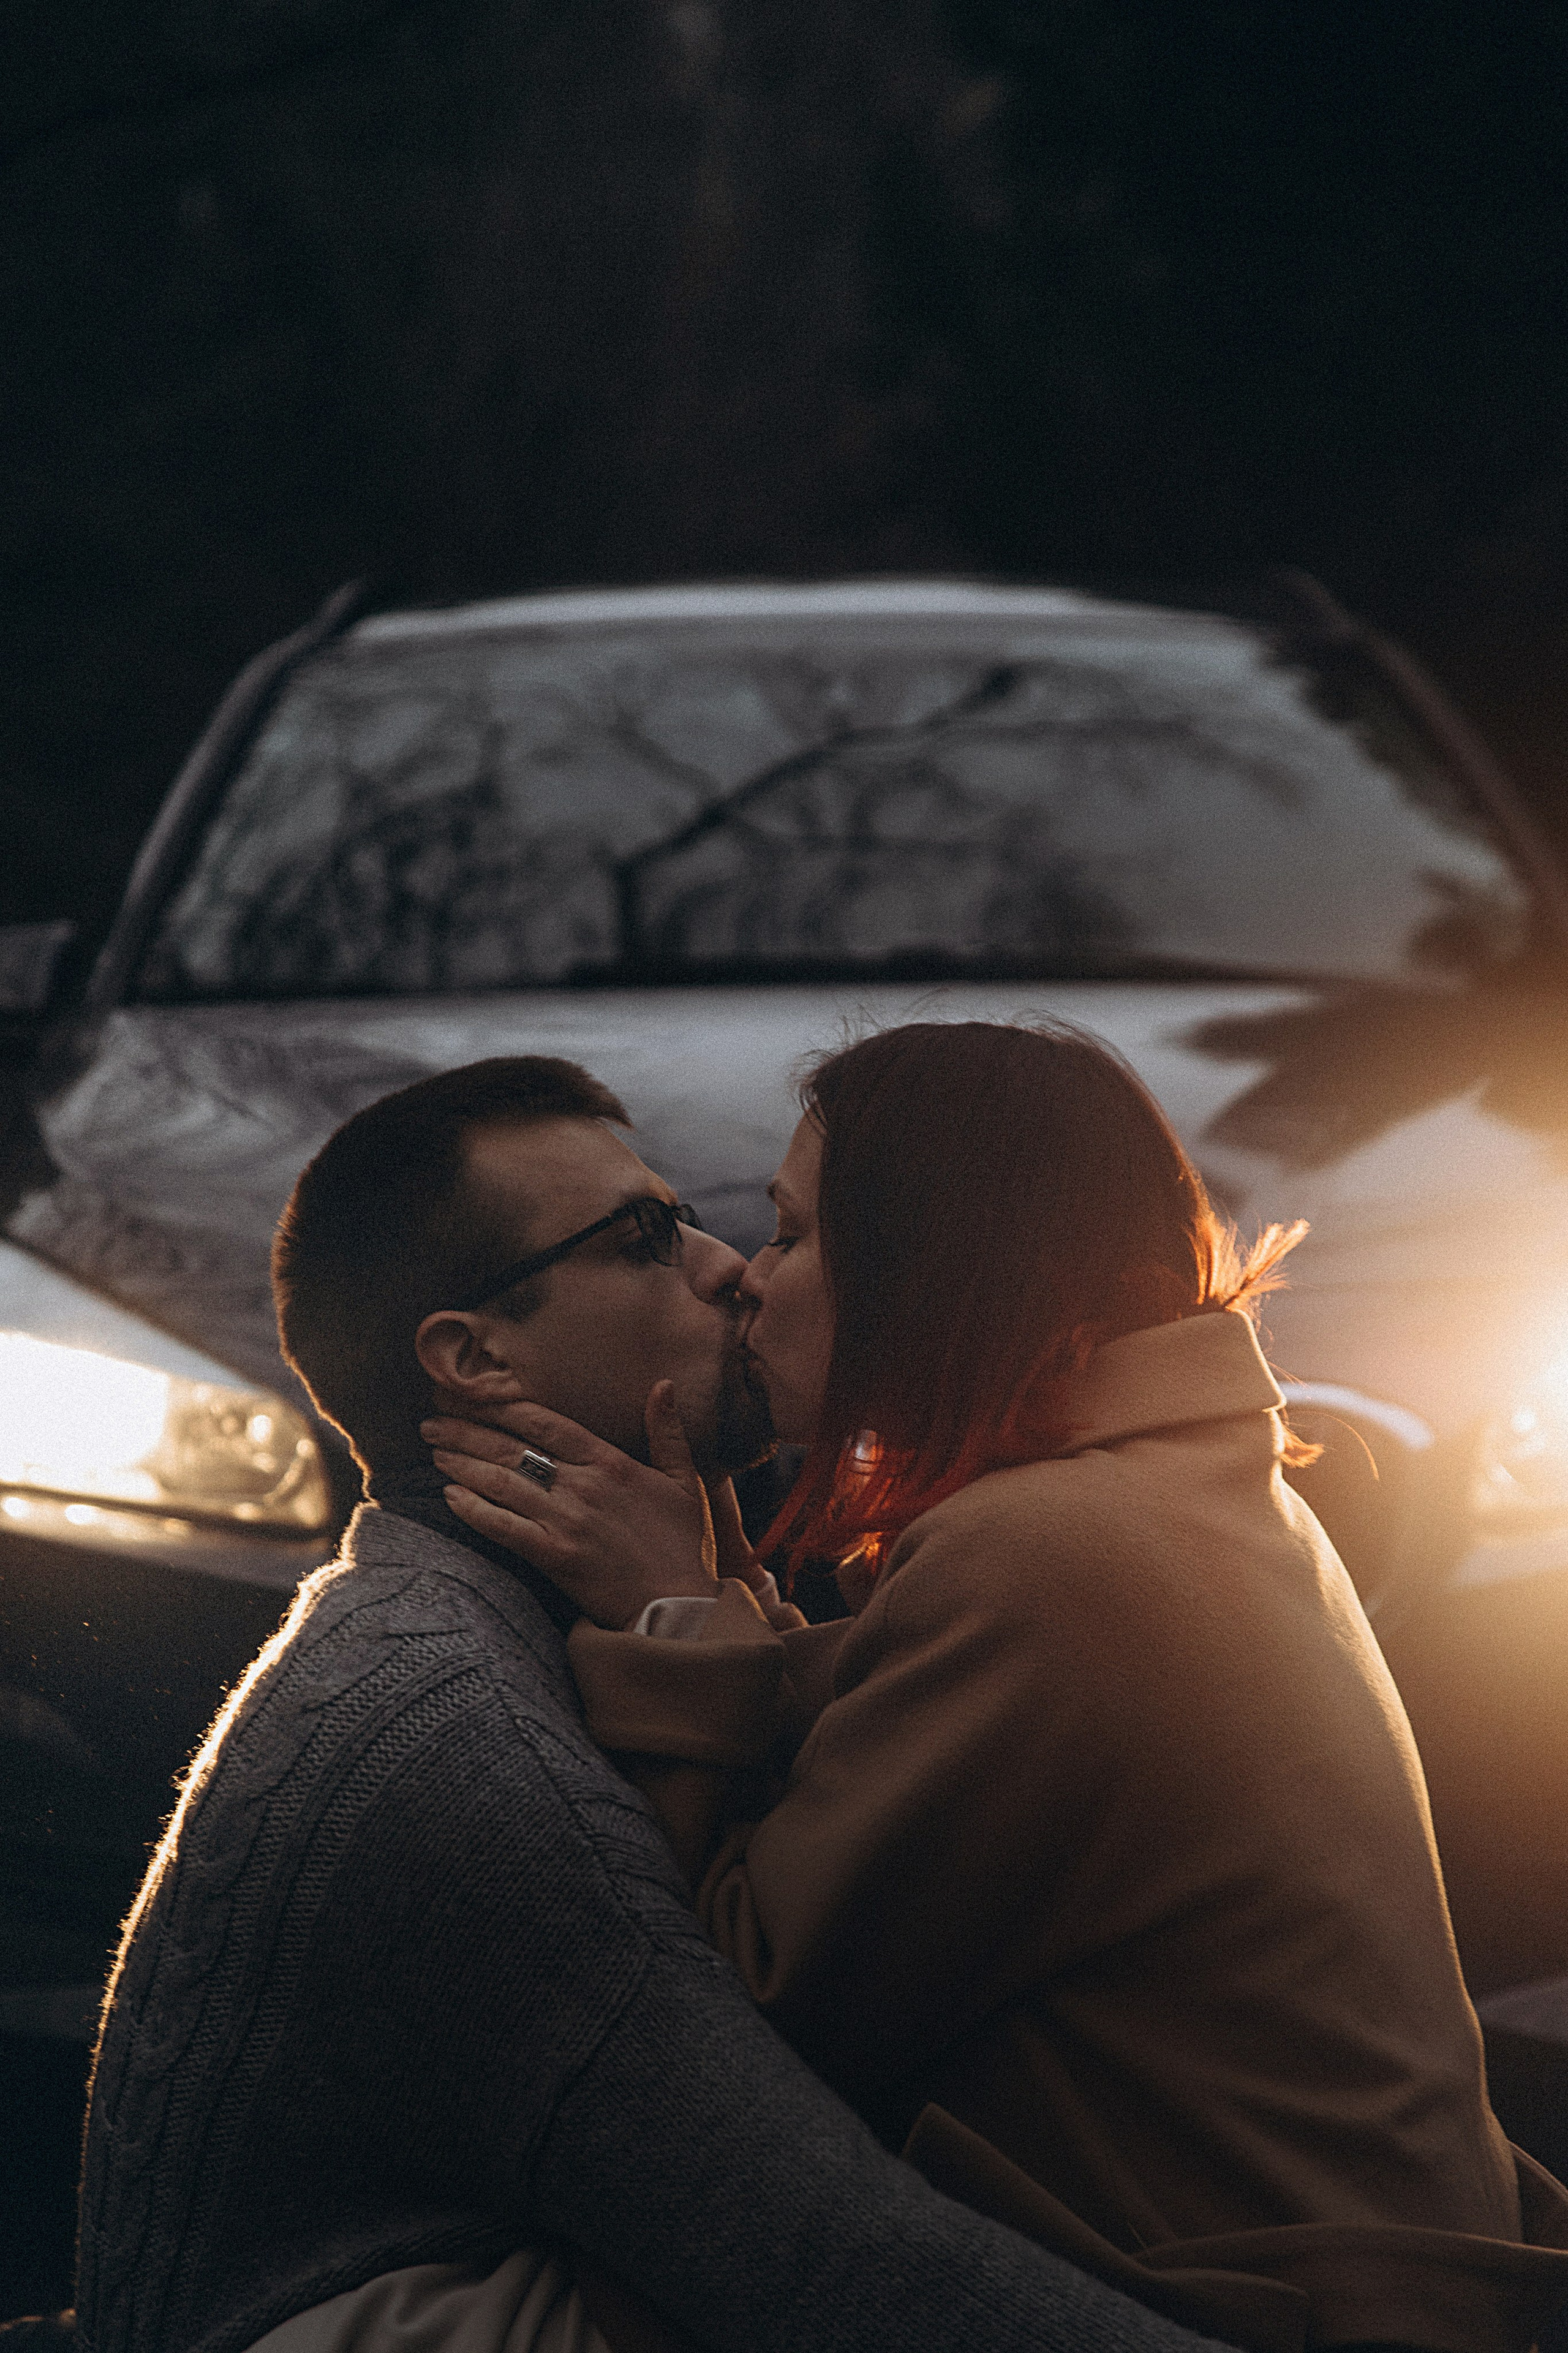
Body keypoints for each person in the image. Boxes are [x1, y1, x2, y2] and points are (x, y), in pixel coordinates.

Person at [71, 1054, 1242, 2353]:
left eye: (689, 1219)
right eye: (642, 1240)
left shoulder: (501, 1618)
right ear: (474, 1358)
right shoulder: (457, 1727)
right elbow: (804, 2239)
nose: (730, 1267)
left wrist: (700, 1604)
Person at [429, 1022, 1568, 2353]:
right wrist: (716, 1585)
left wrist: (664, 1614)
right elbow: (897, 1749)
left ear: (929, 1269)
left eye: (794, 1235)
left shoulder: (1046, 1554)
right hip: (1355, 2280)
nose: (747, 1277)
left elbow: (743, 2020)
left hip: (1241, 2310)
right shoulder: (1172, 1493)